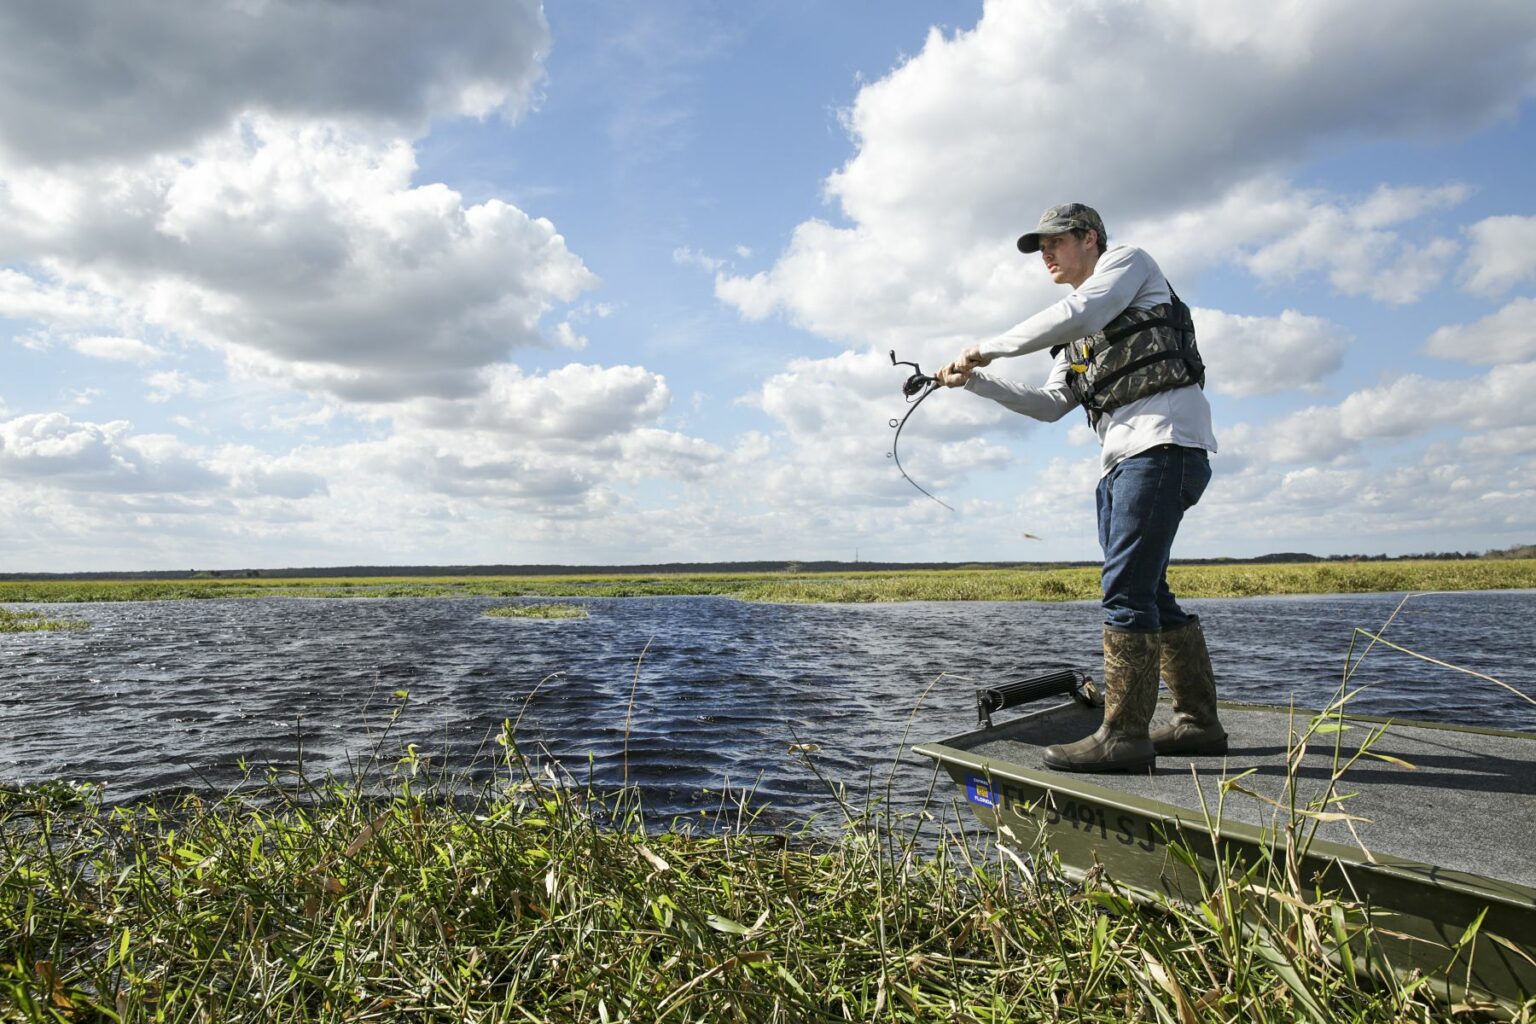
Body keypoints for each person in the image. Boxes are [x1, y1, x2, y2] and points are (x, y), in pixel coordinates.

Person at [936, 203, 1225, 773]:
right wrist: (977, 381)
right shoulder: (1074, 344)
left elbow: (1082, 309)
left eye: (1055, 242)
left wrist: (987, 345)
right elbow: (1048, 406)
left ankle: (1123, 736)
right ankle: (1198, 722)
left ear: (1089, 238)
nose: (1045, 254)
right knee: (1149, 592)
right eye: (1038, 248)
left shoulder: (1129, 265)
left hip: (1164, 447)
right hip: (1120, 463)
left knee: (1124, 591)